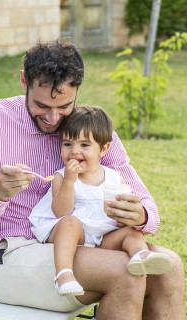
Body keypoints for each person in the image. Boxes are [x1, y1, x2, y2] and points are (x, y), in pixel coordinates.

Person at [0, 39, 186, 320]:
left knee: (170, 266)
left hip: (85, 246)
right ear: (24, 80)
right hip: (8, 253)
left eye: (64, 106)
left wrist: (140, 215)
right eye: (41, 105)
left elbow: (147, 205)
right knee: (125, 271)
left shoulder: (90, 131)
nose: (53, 119)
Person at [30, 105, 173, 296]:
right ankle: (64, 274)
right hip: (73, 234)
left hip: (102, 237)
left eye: (84, 145)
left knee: (131, 231)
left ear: (104, 149)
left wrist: (122, 216)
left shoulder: (114, 177)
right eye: (67, 144)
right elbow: (61, 212)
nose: (74, 151)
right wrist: (70, 181)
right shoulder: (61, 177)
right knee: (70, 223)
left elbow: (121, 210)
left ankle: (142, 255)